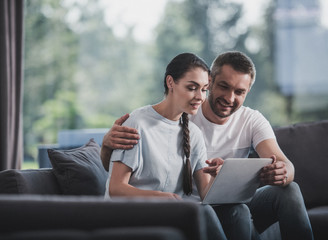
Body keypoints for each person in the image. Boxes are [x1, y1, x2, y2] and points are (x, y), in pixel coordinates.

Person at [101, 51, 314, 240]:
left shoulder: (195, 130)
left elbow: (208, 190)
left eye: (239, 92)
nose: (229, 97)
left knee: (260, 201)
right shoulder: (148, 119)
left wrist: (227, 176)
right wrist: (106, 146)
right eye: (223, 86)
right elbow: (116, 182)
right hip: (173, 208)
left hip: (208, 205)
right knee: (212, 212)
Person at [104, 52, 254, 240]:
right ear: (170, 82)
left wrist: (222, 175)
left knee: (238, 211)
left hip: (172, 213)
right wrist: (159, 197)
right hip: (134, 213)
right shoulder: (137, 123)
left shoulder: (194, 133)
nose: (200, 97)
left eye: (204, 89)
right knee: (202, 213)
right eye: (192, 88)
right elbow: (116, 189)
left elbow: (206, 193)